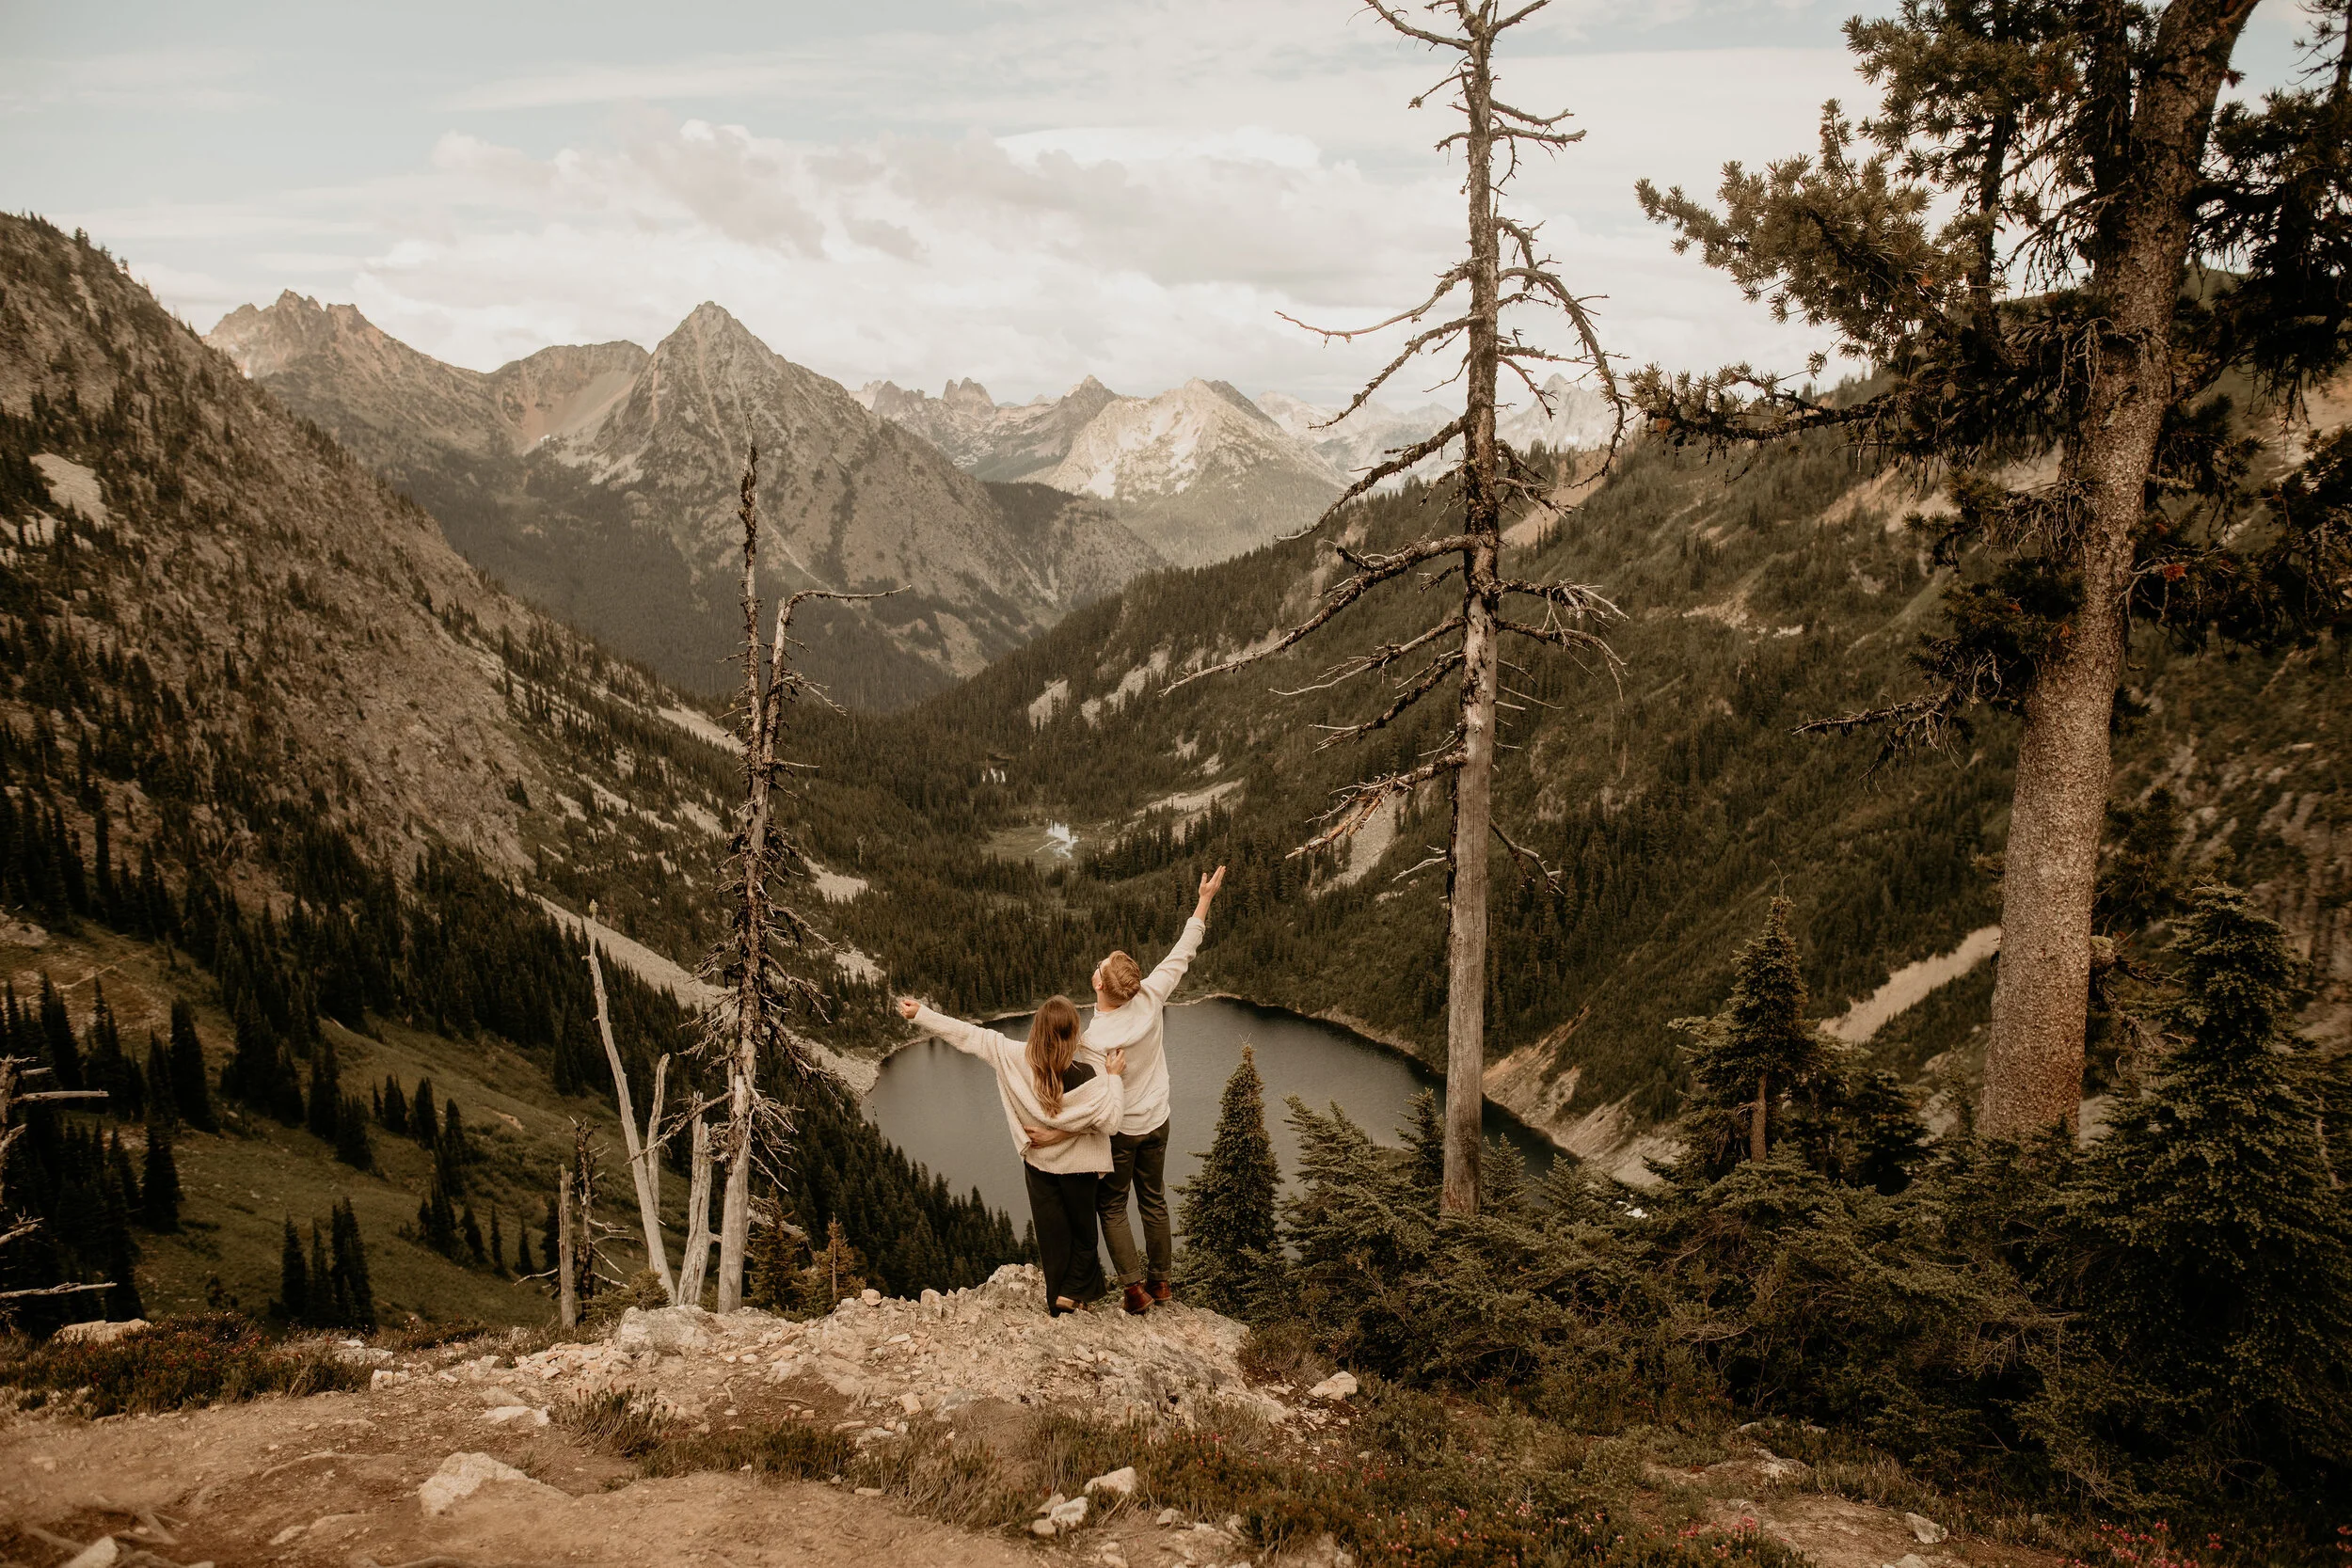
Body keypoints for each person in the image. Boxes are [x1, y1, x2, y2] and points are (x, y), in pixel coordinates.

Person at [1035, 865, 1225, 1316]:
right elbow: (1184, 950)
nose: (1097, 966)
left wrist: (1054, 1131)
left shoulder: (1091, 1041)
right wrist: (1204, 899)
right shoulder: (1151, 996)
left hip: (1122, 1131)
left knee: (1113, 1205)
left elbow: (1080, 1093)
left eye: (1100, 966)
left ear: (1099, 984)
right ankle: (1161, 1282)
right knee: (1154, 1200)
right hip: (1158, 1121)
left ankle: (1134, 1291)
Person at [896, 992, 1125, 1316]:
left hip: (1040, 1166)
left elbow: (968, 1035)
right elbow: (1110, 1121)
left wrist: (922, 1014)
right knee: (1084, 1234)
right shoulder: (1087, 1075)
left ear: (1038, 1028)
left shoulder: (1013, 1056)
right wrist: (1114, 1078)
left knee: (1052, 1236)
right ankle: (1074, 1293)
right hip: (1079, 1167)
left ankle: (1058, 1300)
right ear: (1073, 1034)